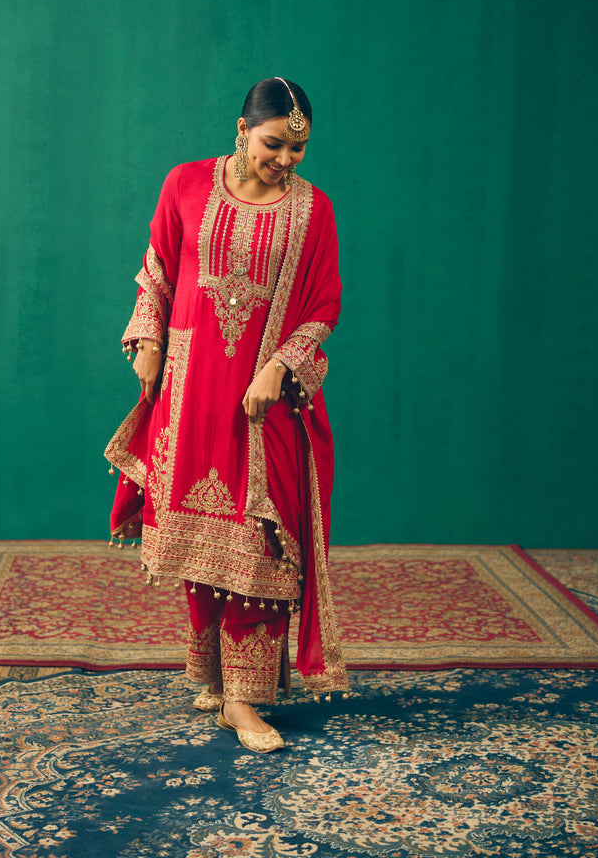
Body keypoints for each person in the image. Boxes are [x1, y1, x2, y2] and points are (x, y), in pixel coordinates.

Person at [105, 77, 348, 752]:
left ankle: (245, 702)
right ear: (242, 130)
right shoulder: (185, 183)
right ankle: (211, 678)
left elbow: (323, 307)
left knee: (259, 546)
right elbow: (156, 265)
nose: (287, 159)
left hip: (260, 402)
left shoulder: (313, 210)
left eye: (299, 149)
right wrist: (147, 341)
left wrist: (279, 367)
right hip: (189, 392)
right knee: (198, 537)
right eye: (275, 143)